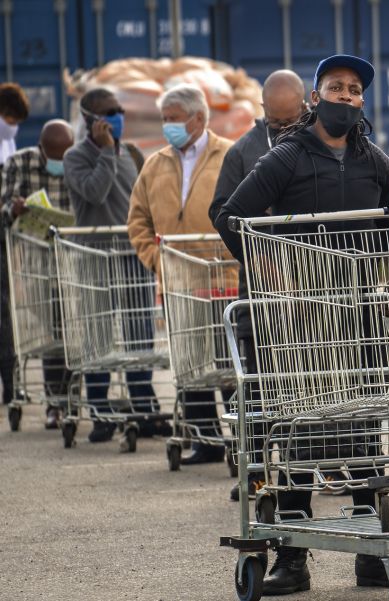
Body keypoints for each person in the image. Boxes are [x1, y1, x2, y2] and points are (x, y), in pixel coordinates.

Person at [213, 54, 389, 595]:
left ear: (362, 101)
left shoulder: (377, 164)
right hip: (296, 321)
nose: (345, 96)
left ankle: (370, 554)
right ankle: (292, 561)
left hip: (358, 318)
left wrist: (385, 279)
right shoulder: (287, 158)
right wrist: (266, 266)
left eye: (354, 89)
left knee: (365, 427)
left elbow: (387, 228)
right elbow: (230, 216)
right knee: (296, 431)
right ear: (315, 99)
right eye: (335, 87)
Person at [210, 69, 309, 501]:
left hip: (311, 293)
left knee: (309, 384)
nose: (285, 129)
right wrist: (257, 258)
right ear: (264, 112)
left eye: (293, 121)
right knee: (258, 385)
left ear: (307, 106)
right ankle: (253, 470)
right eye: (277, 122)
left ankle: (303, 468)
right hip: (262, 294)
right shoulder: (243, 152)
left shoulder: (318, 143)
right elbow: (221, 211)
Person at [127, 83, 234, 464]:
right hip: (176, 282)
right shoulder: (156, 163)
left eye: (173, 119)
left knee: (227, 365)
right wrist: (157, 259)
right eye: (164, 119)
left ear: (198, 118)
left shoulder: (229, 156)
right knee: (190, 364)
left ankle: (239, 441)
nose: (167, 126)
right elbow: (137, 218)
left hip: (223, 279)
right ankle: (205, 440)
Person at [63, 87, 165, 443]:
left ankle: (143, 407)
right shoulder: (75, 157)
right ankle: (101, 414)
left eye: (120, 109)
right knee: (98, 334)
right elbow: (94, 193)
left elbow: (143, 202)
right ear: (91, 121)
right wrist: (105, 152)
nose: (118, 116)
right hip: (96, 258)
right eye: (110, 112)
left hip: (131, 254)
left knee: (140, 333)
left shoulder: (132, 153)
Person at [0, 119, 75, 428]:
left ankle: (68, 399)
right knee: (50, 337)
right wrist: (14, 210)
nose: (60, 162)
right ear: (42, 149)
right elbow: (3, 206)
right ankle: (55, 404)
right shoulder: (19, 163)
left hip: (71, 262)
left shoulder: (77, 163)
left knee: (71, 335)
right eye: (54, 155)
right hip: (34, 265)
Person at [0, 82, 29, 411]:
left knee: (6, 312)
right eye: (8, 118)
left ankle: (10, 383)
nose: (12, 126)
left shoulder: (7, 146)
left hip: (3, 235)